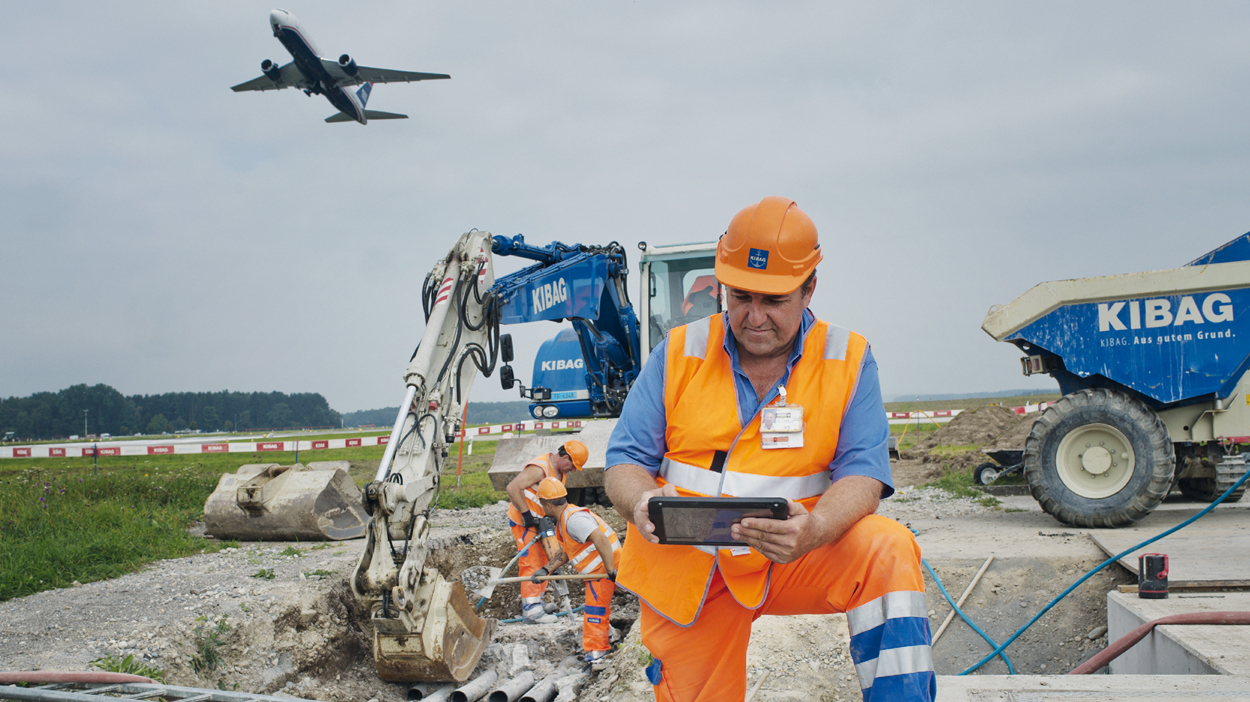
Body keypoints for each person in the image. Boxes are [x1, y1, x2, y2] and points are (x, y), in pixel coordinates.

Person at [605, 197, 934, 702]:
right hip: (691, 566)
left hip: (794, 553)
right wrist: (640, 502)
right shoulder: (677, 353)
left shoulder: (848, 358)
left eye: (773, 301)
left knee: (887, 549)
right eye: (740, 297)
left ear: (809, 290)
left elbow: (864, 473)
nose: (754, 317)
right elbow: (625, 461)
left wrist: (817, 528)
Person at [530, 477, 621, 662]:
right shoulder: (566, 519)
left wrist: (611, 570)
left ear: (548, 505)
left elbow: (601, 539)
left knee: (595, 613)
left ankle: (597, 655)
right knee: (598, 610)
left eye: (541, 504)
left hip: (603, 569)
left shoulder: (574, 520)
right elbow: (566, 552)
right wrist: (546, 570)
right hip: (601, 569)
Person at [506, 439, 590, 622]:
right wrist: (526, 514)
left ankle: (536, 601)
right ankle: (531, 610)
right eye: (573, 465)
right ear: (565, 457)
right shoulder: (540, 467)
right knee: (531, 562)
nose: (573, 470)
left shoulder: (559, 471)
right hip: (525, 522)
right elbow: (513, 488)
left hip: (541, 522)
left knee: (546, 561)